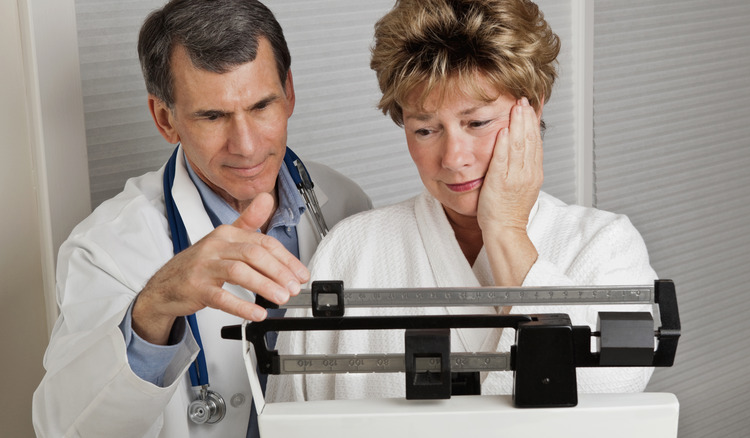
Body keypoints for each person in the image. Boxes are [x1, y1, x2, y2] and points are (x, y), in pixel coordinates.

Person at [268, 0, 656, 402]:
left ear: (534, 104)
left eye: (477, 123)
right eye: (425, 130)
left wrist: (505, 229)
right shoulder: (349, 252)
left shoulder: (605, 246)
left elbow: (608, 387)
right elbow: (288, 415)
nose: (453, 158)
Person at [32, 0, 371, 436]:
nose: (246, 146)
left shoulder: (346, 205)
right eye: (213, 116)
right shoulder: (107, 249)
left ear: (289, 92)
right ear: (164, 118)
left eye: (262, 106)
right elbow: (62, 429)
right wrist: (155, 306)